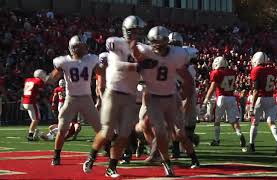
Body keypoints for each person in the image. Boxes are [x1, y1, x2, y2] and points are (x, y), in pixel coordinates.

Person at [82, 15, 158, 178]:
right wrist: (139, 65)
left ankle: (111, 167)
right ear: (127, 31)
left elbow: (154, 61)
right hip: (113, 92)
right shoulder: (116, 42)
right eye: (134, 31)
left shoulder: (143, 49)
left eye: (139, 31)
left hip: (130, 96)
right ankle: (92, 156)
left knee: (124, 135)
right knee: (108, 131)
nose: (137, 34)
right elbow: (117, 65)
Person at [134, 26, 195, 177]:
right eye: (154, 42)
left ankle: (191, 156)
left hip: (171, 97)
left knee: (178, 132)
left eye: (161, 41)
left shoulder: (176, 55)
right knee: (160, 132)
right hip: (153, 97)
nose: (158, 45)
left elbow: (187, 78)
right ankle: (166, 163)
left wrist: (184, 95)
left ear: (167, 41)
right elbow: (134, 62)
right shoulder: (146, 53)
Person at [45, 35, 104, 166]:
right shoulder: (64, 61)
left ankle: (102, 151)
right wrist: (46, 78)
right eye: (82, 46)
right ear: (74, 48)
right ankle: (56, 155)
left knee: (100, 129)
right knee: (62, 129)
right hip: (71, 99)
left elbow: (102, 72)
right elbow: (53, 78)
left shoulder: (90, 59)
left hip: (86, 98)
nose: (85, 48)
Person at [203, 56, 246, 148]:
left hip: (221, 97)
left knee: (217, 120)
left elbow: (212, 87)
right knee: (233, 120)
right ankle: (239, 134)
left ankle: (216, 139)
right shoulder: (232, 72)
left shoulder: (216, 72)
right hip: (231, 97)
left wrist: (206, 99)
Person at [248, 52, 277, 155]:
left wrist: (252, 106)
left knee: (254, 123)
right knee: (271, 122)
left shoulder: (256, 70)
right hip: (270, 98)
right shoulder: (272, 69)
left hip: (260, 98)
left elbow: (255, 90)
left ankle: (251, 145)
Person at [22, 69, 47, 141]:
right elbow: (42, 91)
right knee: (36, 119)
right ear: (41, 75)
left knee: (34, 119)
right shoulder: (39, 81)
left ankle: (37, 132)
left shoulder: (28, 79)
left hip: (25, 101)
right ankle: (30, 135)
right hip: (31, 102)